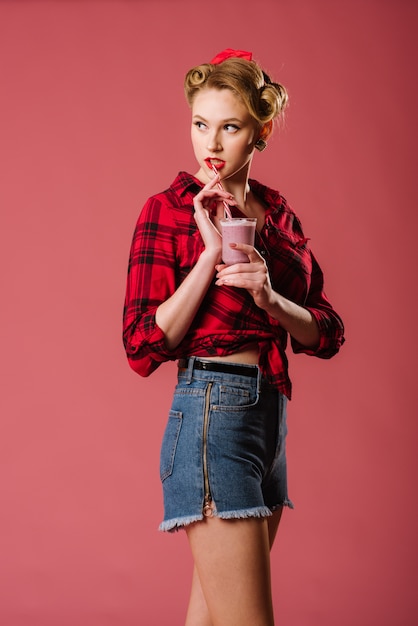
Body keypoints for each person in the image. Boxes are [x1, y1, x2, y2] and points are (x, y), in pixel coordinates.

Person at [123, 48, 345, 626]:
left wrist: (271, 298)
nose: (211, 143)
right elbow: (143, 345)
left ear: (260, 131)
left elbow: (327, 330)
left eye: (230, 126)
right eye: (201, 124)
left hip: (268, 418)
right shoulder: (168, 211)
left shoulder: (279, 215)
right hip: (210, 415)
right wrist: (208, 255)